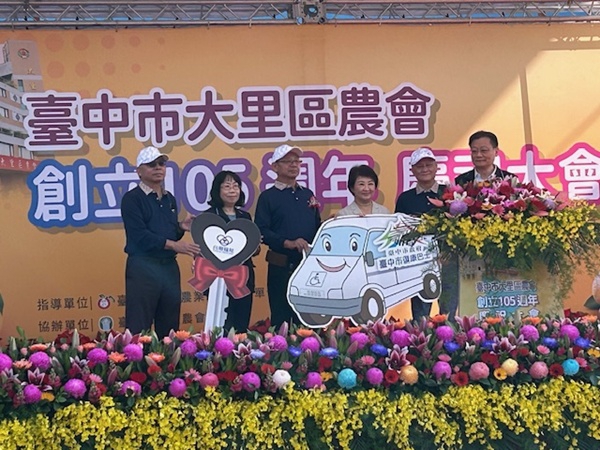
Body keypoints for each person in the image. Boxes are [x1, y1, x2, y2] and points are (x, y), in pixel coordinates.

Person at [121, 146, 200, 338]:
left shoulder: (169, 198)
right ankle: (137, 358)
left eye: (161, 164)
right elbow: (140, 236)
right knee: (139, 326)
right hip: (143, 267)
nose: (158, 168)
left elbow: (168, 233)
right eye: (151, 164)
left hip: (168, 268)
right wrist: (175, 246)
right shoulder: (132, 199)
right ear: (139, 171)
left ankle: (167, 358)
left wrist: (180, 227)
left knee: (170, 326)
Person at [254, 144, 321, 328]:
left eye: (297, 161)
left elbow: (316, 225)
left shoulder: (307, 194)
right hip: (281, 266)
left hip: (308, 266)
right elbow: (261, 230)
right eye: (288, 162)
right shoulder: (268, 197)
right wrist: (287, 243)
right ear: (275, 166)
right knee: (281, 318)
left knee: (308, 318)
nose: (293, 165)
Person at [395, 147, 448, 320]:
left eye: (428, 165)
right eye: (419, 166)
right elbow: (399, 232)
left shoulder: (448, 193)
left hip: (447, 261)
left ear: (436, 167)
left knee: (449, 312)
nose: (425, 169)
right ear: (412, 170)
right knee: (420, 316)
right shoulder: (405, 199)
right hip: (418, 264)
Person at [203, 170, 258, 332]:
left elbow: (252, 249)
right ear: (217, 190)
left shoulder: (245, 216)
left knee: (241, 325)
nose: (232, 190)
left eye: (236, 186)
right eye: (227, 186)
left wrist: (255, 247)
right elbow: (205, 250)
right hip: (218, 278)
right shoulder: (209, 216)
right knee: (221, 325)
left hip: (243, 277)